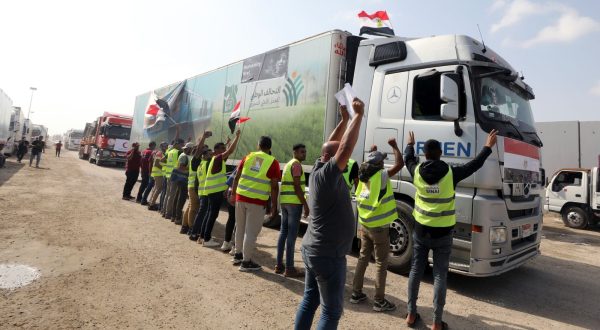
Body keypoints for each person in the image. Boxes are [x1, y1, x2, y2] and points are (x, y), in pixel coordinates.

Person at [404, 129, 498, 330]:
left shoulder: (416, 171)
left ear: (426, 154)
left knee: (415, 271)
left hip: (421, 231)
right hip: (443, 233)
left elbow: (407, 159)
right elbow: (474, 165)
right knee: (440, 275)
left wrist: (410, 144)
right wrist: (488, 147)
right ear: (439, 153)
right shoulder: (450, 173)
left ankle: (411, 314)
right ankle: (437, 322)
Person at [294, 98, 364, 329]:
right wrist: (358, 117)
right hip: (328, 254)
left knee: (310, 300)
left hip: (314, 248)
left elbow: (331, 146)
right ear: (330, 159)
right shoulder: (326, 176)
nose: (342, 162)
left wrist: (343, 120)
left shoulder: (318, 167)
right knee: (331, 312)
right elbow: (344, 147)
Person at [349, 139, 404, 313]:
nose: (383, 163)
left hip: (365, 224)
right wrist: (395, 147)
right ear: (379, 164)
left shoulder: (363, 174)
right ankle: (379, 301)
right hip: (380, 227)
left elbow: (369, 163)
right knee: (381, 263)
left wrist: (373, 153)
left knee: (363, 258)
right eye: (381, 161)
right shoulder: (381, 175)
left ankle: (356, 294)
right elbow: (400, 164)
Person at [230, 135, 280, 272]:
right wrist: (274, 206)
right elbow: (274, 187)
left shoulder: (248, 157)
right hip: (257, 201)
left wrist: (234, 194)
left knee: (240, 227)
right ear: (270, 147)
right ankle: (246, 262)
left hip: (241, 197)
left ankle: (237, 255)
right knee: (251, 232)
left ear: (258, 145)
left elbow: (236, 176)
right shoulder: (273, 162)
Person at [199, 130, 241, 247]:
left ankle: (202, 236)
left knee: (210, 214)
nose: (224, 150)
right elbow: (230, 151)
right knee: (212, 215)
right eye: (221, 148)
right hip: (215, 192)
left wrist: (228, 142)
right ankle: (206, 240)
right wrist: (237, 137)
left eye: (224, 148)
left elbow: (228, 152)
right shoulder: (217, 158)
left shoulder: (217, 159)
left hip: (212, 191)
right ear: (216, 150)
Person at [275, 143, 309, 278]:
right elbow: (297, 186)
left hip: (284, 202)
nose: (304, 154)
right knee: (291, 236)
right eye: (302, 152)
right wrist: (305, 204)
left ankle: (279, 265)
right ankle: (289, 268)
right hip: (294, 204)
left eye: (305, 152)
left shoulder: (289, 164)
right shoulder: (296, 165)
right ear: (294, 152)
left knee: (283, 233)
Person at [181, 132, 212, 234]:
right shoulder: (195, 160)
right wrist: (203, 138)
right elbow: (199, 150)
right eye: (204, 150)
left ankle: (184, 226)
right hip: (193, 186)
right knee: (193, 209)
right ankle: (191, 228)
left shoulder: (197, 161)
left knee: (190, 206)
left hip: (191, 185)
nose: (205, 151)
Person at [188, 147, 213, 241]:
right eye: (210, 154)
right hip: (203, 192)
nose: (212, 156)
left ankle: (193, 231)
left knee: (197, 211)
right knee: (197, 210)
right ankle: (193, 231)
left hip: (200, 191)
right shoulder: (205, 163)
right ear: (204, 155)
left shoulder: (201, 164)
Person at [169, 142, 194, 225]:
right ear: (189, 149)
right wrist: (191, 169)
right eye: (192, 149)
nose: (193, 150)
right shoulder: (184, 156)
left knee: (177, 198)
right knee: (181, 199)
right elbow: (181, 167)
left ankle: (174, 216)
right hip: (182, 179)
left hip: (180, 179)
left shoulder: (184, 155)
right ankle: (177, 217)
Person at [163, 138, 184, 218]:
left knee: (168, 194)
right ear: (178, 144)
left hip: (168, 175)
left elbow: (163, 160)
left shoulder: (170, 151)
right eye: (182, 145)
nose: (182, 147)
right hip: (174, 176)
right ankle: (168, 213)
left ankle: (164, 211)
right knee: (172, 195)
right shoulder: (179, 152)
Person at [147, 142, 168, 210]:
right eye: (165, 146)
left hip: (158, 173)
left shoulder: (162, 153)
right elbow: (156, 163)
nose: (166, 147)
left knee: (156, 188)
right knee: (158, 189)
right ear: (162, 146)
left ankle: (151, 202)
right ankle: (152, 204)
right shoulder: (160, 153)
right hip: (158, 173)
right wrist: (165, 166)